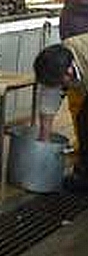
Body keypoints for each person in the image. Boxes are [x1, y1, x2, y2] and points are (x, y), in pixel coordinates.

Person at [34, 37, 88, 190]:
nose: (60, 87)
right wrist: (44, 142)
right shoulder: (53, 66)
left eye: (62, 83)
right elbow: (48, 103)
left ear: (69, 71)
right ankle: (84, 174)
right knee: (83, 121)